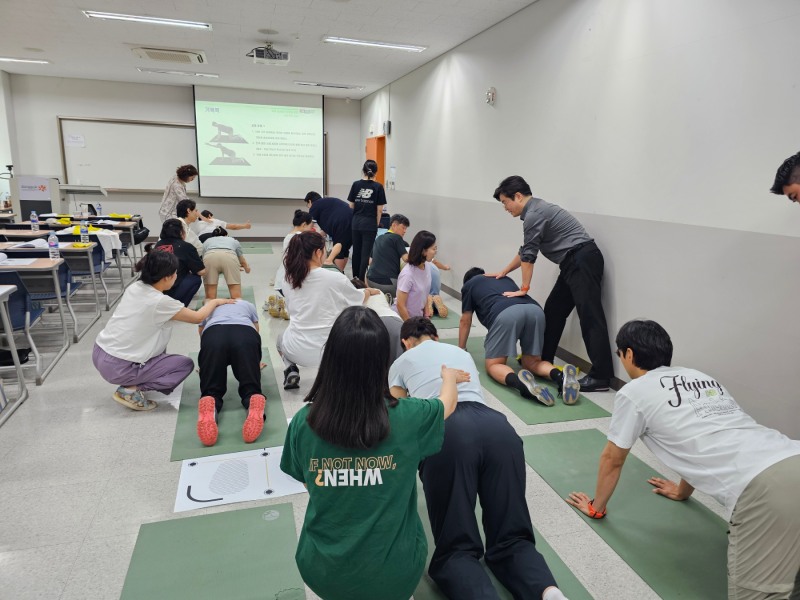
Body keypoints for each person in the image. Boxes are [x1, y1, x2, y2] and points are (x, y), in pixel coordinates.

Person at [565, 319, 800, 600]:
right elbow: (702, 436)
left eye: (619, 353)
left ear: (628, 354)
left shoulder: (634, 393)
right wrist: (681, 490)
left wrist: (596, 508)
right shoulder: (698, 376)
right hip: (790, 452)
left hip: (766, 490)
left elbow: (612, 460)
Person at [280, 306, 467, 600]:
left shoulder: (304, 423)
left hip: (323, 572)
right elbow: (447, 404)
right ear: (383, 361)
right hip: (395, 574)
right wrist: (448, 378)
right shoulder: (410, 416)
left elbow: (309, 483)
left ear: (330, 358)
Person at [390, 317, 569, 600]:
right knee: (513, 538)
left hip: (447, 432)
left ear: (405, 342)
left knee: (457, 547)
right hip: (498, 429)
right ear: (435, 337)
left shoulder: (401, 362)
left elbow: (396, 415)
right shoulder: (460, 354)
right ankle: (549, 593)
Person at [490, 175, 613, 392]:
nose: (505, 208)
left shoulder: (534, 214)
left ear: (517, 196)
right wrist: (504, 271)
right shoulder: (535, 211)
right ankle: (539, 360)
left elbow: (529, 256)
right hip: (573, 262)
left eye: (504, 202)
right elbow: (525, 250)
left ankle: (602, 376)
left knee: (590, 316)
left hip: (581, 260)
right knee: (554, 312)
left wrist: (524, 288)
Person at [92, 249, 233, 411]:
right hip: (118, 365)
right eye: (175, 273)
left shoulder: (136, 286)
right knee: (184, 365)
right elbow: (197, 318)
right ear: (167, 277)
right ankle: (129, 390)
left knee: (159, 341)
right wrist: (215, 302)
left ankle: (134, 379)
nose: (176, 276)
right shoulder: (160, 302)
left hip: (100, 351)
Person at [460, 267, 578, 406]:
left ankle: (522, 386)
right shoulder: (502, 277)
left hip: (506, 314)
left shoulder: (469, 284)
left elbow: (465, 320)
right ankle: (560, 377)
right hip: (535, 310)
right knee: (532, 362)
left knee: (494, 364)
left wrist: (461, 349)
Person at [278, 231, 381, 390]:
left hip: (296, 349)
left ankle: (290, 368)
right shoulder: (334, 277)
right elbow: (357, 299)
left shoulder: (288, 278)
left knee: (280, 338)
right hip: (333, 351)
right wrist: (368, 291)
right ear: (317, 252)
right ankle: (334, 374)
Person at [196, 299, 265, 447]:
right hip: (245, 335)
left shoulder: (209, 305)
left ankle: (210, 400)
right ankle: (252, 399)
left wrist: (206, 365)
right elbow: (256, 328)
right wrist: (254, 361)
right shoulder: (247, 304)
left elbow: (201, 331)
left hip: (214, 335)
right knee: (251, 386)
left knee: (211, 388)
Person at [348, 160, 387, 281]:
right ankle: (361, 280)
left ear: (363, 170)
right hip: (369, 224)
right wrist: (375, 224)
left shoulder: (356, 184)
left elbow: (351, 205)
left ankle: (354, 279)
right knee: (365, 254)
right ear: (376, 172)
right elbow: (379, 210)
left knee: (356, 252)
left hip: (356, 223)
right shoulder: (378, 187)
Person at [153, 218, 205, 307]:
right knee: (195, 278)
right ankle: (179, 307)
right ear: (181, 232)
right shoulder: (187, 247)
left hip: (154, 291)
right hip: (171, 288)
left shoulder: (158, 245)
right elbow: (201, 271)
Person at [352, 277, 403, 364]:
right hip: (396, 322)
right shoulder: (377, 291)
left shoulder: (356, 295)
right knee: (398, 361)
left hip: (375, 323)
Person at [305, 191, 353, 272]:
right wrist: (320, 235)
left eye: (307, 204)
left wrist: (306, 238)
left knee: (338, 251)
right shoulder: (327, 203)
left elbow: (310, 225)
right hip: (353, 222)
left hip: (341, 224)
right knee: (344, 248)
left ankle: (338, 275)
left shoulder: (315, 206)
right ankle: (341, 273)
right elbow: (327, 225)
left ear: (309, 201)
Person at [394, 230, 436, 321]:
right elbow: (400, 305)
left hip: (418, 318)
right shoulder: (408, 274)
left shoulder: (426, 266)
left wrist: (426, 316)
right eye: (433, 249)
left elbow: (424, 294)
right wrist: (411, 326)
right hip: (403, 319)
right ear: (424, 251)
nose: (435, 252)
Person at [366, 213, 409, 298]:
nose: (405, 231)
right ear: (394, 225)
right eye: (403, 227)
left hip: (370, 280)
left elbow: (370, 262)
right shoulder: (397, 238)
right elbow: (406, 259)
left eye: (406, 228)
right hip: (389, 284)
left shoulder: (379, 238)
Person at [201, 227, 250, 300]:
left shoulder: (207, 241)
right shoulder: (233, 240)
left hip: (210, 257)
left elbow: (203, 258)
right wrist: (247, 268)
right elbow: (242, 260)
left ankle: (208, 306)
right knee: (236, 296)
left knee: (209, 297)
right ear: (226, 234)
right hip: (229, 257)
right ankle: (237, 307)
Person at [273, 209, 314, 297]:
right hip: (290, 282)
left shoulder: (289, 236)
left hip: (283, 279)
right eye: (311, 226)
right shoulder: (300, 237)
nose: (312, 229)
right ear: (304, 224)